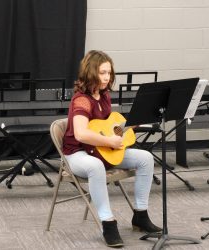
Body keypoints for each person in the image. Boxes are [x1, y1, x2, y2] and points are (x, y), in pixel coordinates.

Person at [62, 50, 161, 247]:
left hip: (101, 150)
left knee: (146, 158)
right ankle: (108, 224)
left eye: (109, 72)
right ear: (90, 72)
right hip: (78, 153)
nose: (107, 77)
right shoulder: (81, 99)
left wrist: (127, 127)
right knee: (96, 167)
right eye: (102, 72)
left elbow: (108, 126)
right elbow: (81, 134)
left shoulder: (104, 95)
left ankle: (140, 216)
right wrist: (110, 142)